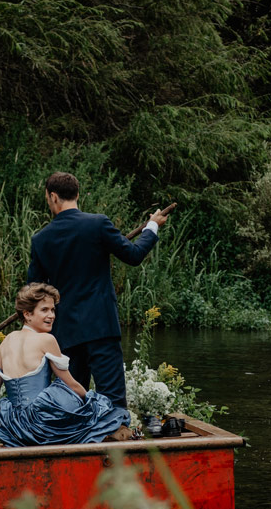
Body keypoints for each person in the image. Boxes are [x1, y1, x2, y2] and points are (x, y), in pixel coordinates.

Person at [26, 171, 168, 410]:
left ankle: (74, 444)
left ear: (53, 197)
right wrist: (151, 227)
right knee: (113, 401)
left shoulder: (41, 239)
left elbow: (34, 290)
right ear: (78, 194)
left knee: (70, 403)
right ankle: (115, 439)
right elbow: (133, 255)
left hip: (66, 332)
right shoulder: (97, 223)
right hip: (101, 326)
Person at [0, 283, 132, 446]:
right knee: (105, 409)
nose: (52, 315)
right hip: (41, 425)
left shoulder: (6, 341)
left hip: (14, 428)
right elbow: (72, 385)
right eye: (44, 310)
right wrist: (94, 404)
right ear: (27, 314)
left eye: (53, 310)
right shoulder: (46, 340)